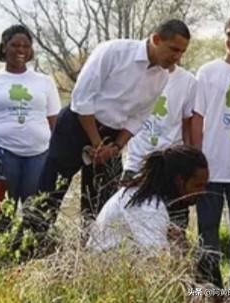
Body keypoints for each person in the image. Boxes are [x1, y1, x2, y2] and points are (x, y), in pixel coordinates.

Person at [38, 19, 191, 230]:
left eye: (182, 52)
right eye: (174, 49)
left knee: (102, 203)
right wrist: (96, 143)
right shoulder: (114, 51)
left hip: (112, 139)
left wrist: (116, 147)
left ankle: (90, 253)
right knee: (49, 194)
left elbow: (139, 116)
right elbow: (82, 99)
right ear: (156, 39)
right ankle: (30, 248)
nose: (177, 57)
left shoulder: (162, 77)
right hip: (77, 126)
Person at [0, 25, 61, 226]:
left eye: (26, 45)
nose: (21, 50)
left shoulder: (45, 82)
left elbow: (54, 125)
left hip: (38, 157)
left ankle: (31, 257)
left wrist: (56, 161)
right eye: (15, 45)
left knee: (36, 218)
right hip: (0, 157)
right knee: (1, 220)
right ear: (4, 47)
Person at [191, 15, 230, 302]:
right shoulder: (207, 71)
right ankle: (211, 291)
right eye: (229, 34)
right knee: (207, 233)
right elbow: (197, 116)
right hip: (211, 168)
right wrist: (197, 160)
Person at [86, 145, 209, 253]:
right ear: (179, 180)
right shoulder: (148, 207)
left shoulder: (149, 196)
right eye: (198, 185)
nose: (203, 191)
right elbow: (159, 265)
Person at [122, 64, 197, 234]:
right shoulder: (136, 74)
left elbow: (187, 124)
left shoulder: (188, 81)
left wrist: (190, 162)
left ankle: (171, 261)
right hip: (137, 163)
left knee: (174, 227)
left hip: (172, 166)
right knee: (130, 223)